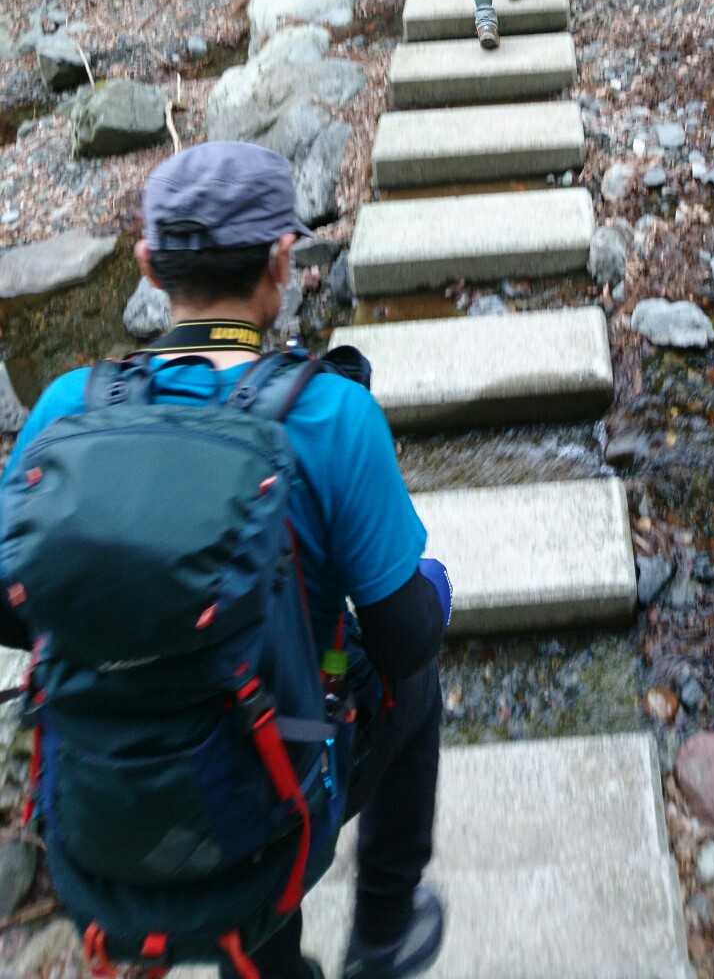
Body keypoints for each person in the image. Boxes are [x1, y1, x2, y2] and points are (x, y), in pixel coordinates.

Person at [0, 142, 449, 979]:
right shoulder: (333, 416)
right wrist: (434, 585)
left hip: (104, 804)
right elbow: (406, 638)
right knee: (414, 684)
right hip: (274, 785)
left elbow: (11, 606)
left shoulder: (66, 408)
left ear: (148, 266)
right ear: (281, 262)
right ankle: (385, 931)